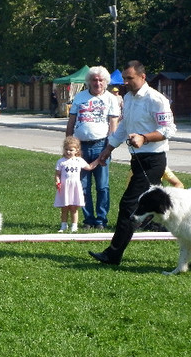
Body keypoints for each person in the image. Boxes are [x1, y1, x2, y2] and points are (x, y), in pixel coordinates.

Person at [89, 60, 177, 266]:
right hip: (137, 159)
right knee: (162, 208)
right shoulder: (128, 98)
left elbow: (169, 130)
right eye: (125, 79)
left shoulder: (157, 99)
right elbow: (123, 127)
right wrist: (107, 149)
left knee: (128, 205)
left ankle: (113, 254)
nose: (126, 82)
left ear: (142, 77)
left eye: (130, 78)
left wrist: (144, 138)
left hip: (154, 161)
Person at [66, 65, 120, 230]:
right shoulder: (80, 97)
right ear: (89, 82)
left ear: (106, 82)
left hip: (101, 146)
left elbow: (113, 125)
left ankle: (101, 220)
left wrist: (109, 147)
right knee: (82, 186)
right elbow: (71, 121)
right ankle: (88, 219)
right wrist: (69, 144)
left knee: (102, 186)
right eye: (94, 80)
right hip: (80, 147)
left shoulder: (111, 99)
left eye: (100, 80)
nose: (97, 83)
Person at [54, 136, 100, 233]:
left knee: (74, 208)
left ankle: (74, 226)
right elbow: (57, 174)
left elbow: (89, 167)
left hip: (75, 187)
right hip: (65, 187)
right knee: (64, 208)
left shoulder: (79, 160)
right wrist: (57, 182)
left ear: (77, 150)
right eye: (66, 149)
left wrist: (99, 159)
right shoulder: (61, 161)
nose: (68, 152)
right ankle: (63, 225)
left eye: (71, 150)